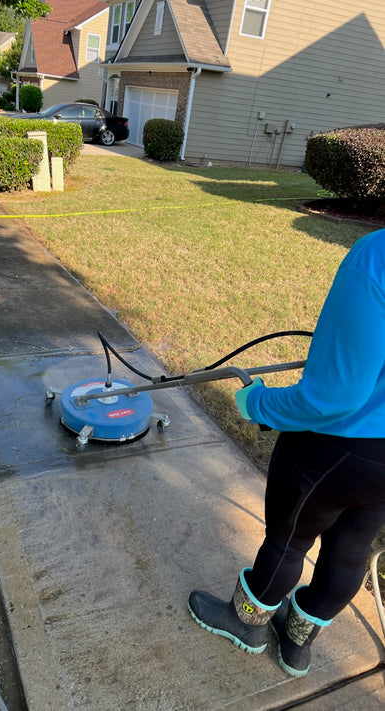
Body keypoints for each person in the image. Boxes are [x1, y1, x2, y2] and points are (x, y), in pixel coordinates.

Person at [188, 227, 385, 677]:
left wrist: (258, 403)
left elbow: (335, 396)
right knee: (351, 550)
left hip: (337, 448)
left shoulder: (378, 257)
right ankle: (297, 644)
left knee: (289, 538)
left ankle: (246, 623)